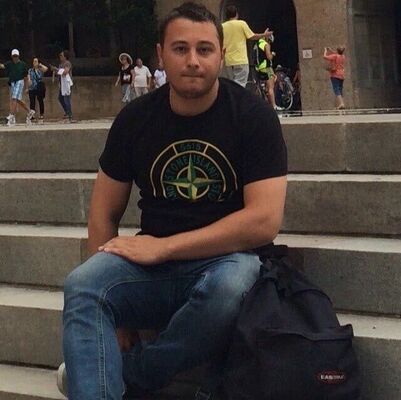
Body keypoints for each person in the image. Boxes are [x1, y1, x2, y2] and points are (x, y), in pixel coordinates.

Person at [60, 2, 287, 399]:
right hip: (152, 271)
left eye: (204, 49)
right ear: (160, 55)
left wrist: (164, 248)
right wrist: (120, 320)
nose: (193, 60)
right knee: (84, 284)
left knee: (230, 286)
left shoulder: (253, 117)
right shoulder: (135, 119)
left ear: (221, 55)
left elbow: (263, 222)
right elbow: (103, 212)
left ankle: (134, 372)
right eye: (181, 49)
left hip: (225, 261)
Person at [222, 4, 272, 87]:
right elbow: (252, 36)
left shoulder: (222, 26)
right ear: (236, 14)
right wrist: (264, 35)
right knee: (240, 85)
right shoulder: (241, 24)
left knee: (231, 84)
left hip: (228, 61)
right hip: (241, 60)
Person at [0, 49, 35, 126]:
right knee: (18, 100)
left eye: (16, 56)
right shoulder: (10, 64)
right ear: (12, 56)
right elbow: (2, 66)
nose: (15, 58)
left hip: (20, 81)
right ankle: (29, 111)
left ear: (18, 56)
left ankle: (11, 116)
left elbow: (26, 75)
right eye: (14, 56)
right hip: (12, 82)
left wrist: (27, 85)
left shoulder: (22, 64)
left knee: (14, 98)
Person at [254, 36, 282, 110]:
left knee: (262, 86)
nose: (270, 43)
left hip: (259, 67)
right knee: (271, 87)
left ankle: (260, 101)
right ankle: (274, 105)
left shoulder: (258, 44)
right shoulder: (266, 45)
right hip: (266, 67)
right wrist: (272, 54)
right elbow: (269, 57)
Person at [50, 50, 75, 122]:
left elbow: (65, 72)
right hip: (62, 84)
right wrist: (55, 70)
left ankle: (70, 115)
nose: (60, 57)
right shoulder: (60, 65)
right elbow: (59, 73)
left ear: (65, 57)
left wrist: (56, 69)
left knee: (66, 99)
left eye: (61, 55)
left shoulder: (67, 63)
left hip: (67, 84)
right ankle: (67, 112)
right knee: (60, 98)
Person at [27, 57, 48, 124]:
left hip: (39, 87)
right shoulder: (30, 70)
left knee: (40, 101)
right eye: (34, 61)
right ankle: (32, 115)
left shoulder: (40, 69)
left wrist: (40, 65)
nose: (35, 63)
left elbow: (46, 69)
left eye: (36, 61)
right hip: (32, 87)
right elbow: (28, 77)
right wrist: (28, 84)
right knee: (32, 101)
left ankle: (41, 114)